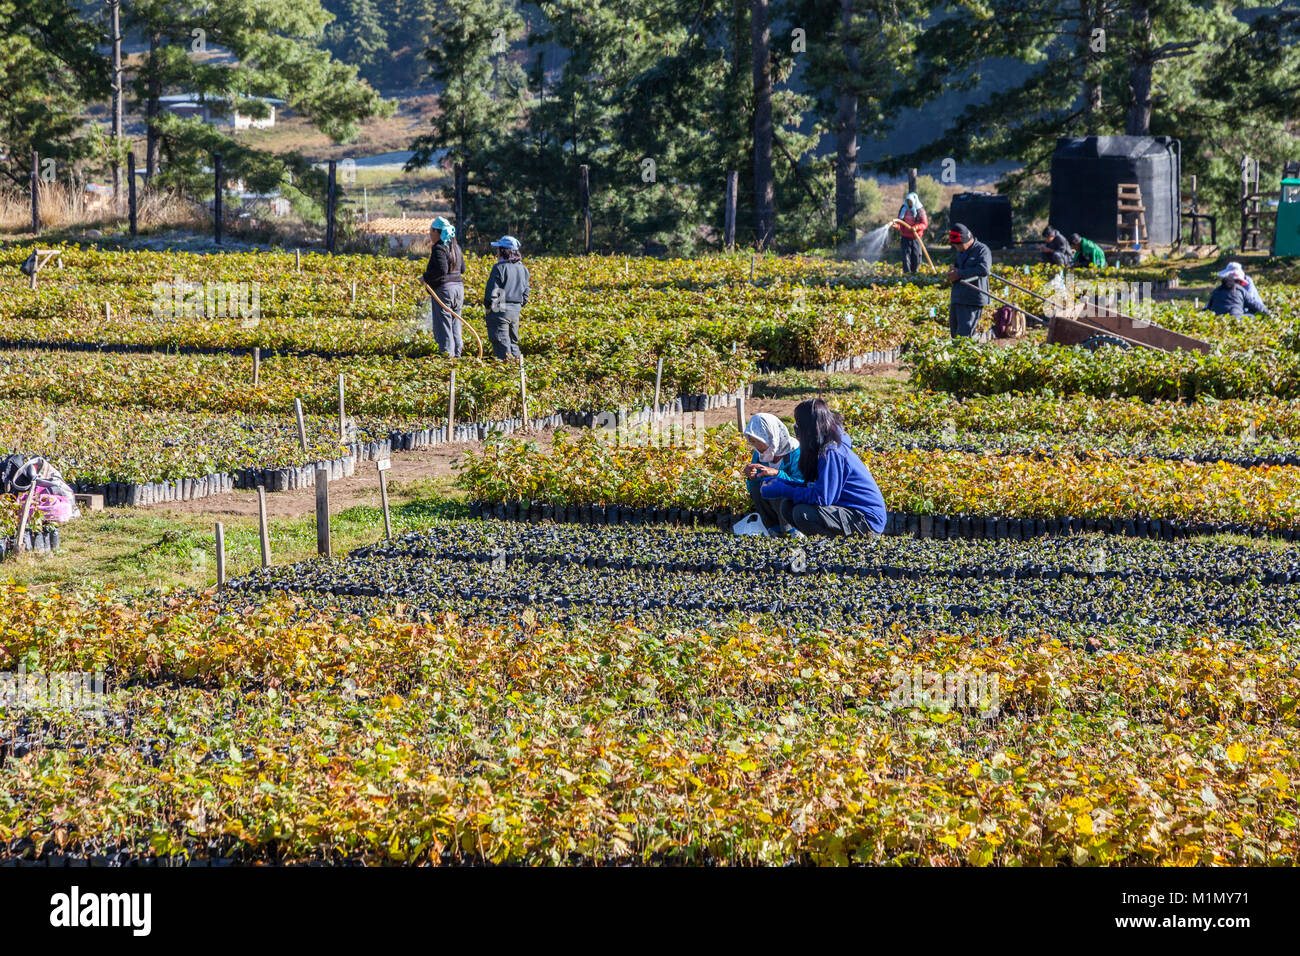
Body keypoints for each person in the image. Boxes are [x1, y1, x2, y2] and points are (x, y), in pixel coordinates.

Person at [759, 399, 887, 538]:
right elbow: (813, 487)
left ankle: (834, 546)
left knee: (802, 513)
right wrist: (783, 483)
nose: (796, 428)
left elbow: (823, 498)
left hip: (866, 520)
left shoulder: (832, 452)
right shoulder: (821, 449)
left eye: (798, 424)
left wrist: (784, 490)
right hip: (848, 511)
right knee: (787, 507)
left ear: (809, 427)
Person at [737, 413, 804, 536]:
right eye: (752, 442)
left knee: (776, 484)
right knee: (758, 487)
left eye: (759, 441)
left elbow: (801, 484)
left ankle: (792, 529)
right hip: (773, 505)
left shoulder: (795, 452)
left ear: (771, 436)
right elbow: (752, 487)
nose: (757, 446)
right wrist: (751, 477)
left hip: (796, 507)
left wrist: (778, 474)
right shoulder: (759, 454)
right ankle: (774, 528)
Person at [422, 216, 465, 356]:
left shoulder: (439, 247)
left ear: (437, 232)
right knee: (455, 322)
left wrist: (425, 277)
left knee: (444, 325)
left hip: (445, 291)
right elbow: (462, 269)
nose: (429, 234)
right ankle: (457, 354)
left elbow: (441, 270)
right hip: (458, 289)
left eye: (431, 231)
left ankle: (448, 356)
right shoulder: (455, 246)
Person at [483, 235, 530, 359]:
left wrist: (490, 308)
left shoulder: (499, 268)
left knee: (502, 346)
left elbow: (493, 292)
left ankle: (508, 373)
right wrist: (516, 307)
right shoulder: (523, 269)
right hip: (515, 311)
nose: (497, 252)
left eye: (498, 249)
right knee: (513, 344)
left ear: (503, 251)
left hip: (500, 311)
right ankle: (519, 372)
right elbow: (525, 295)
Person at [945, 223, 991, 338]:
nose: (957, 248)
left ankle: (961, 355)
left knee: (964, 335)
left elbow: (984, 269)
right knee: (954, 334)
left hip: (972, 299)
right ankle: (956, 355)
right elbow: (957, 268)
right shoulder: (960, 252)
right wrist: (953, 273)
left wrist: (960, 273)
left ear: (967, 240)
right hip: (958, 297)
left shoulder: (982, 250)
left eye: (958, 245)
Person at [891, 192, 929, 274]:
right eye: (907, 201)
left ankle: (915, 273)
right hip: (905, 237)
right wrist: (897, 226)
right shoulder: (903, 209)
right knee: (905, 256)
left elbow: (924, 224)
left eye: (910, 201)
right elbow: (901, 223)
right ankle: (907, 274)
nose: (909, 203)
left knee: (916, 256)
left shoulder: (920, 210)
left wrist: (916, 227)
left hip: (916, 237)